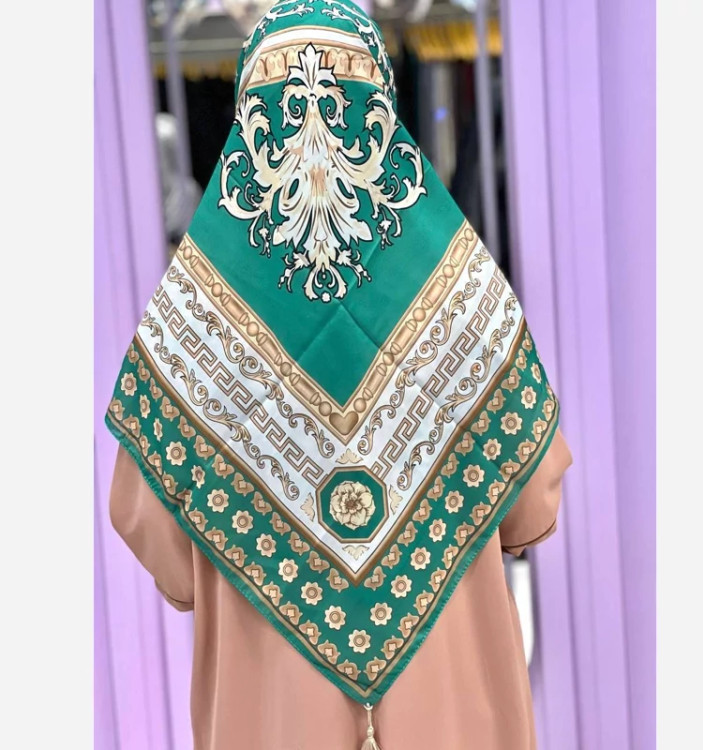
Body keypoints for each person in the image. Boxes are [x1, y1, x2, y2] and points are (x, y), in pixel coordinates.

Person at [106, 1, 572, 747]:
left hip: (272, 708)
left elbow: (147, 522)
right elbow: (532, 493)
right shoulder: (463, 292)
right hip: (448, 695)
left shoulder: (195, 313)